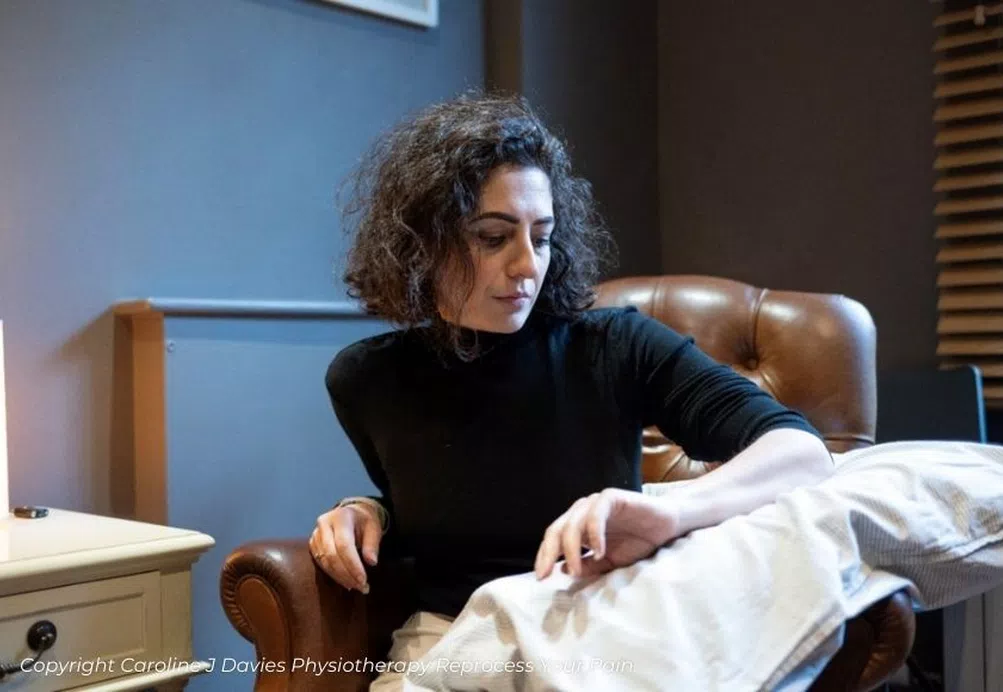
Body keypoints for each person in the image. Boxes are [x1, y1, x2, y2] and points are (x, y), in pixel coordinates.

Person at [309, 93, 834, 689]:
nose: (528, 265)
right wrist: (366, 511)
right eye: (492, 237)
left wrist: (667, 511)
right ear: (422, 242)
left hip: (603, 632)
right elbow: (444, 506)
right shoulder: (365, 379)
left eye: (543, 236)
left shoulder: (615, 345)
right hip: (457, 639)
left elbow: (801, 453)